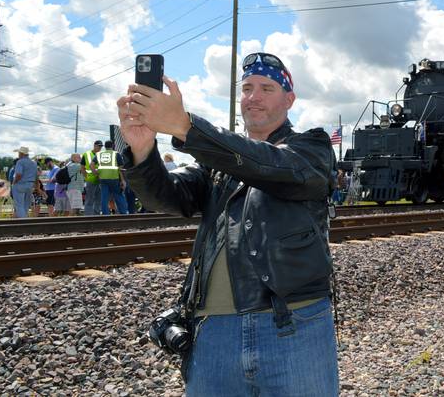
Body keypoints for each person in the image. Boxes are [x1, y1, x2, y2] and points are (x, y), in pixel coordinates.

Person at [117, 52, 337, 396]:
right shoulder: (217, 164)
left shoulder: (311, 149)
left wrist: (186, 127)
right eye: (247, 88)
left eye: (266, 88)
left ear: (289, 99)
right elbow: (168, 196)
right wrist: (142, 151)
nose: (254, 96)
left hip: (293, 324)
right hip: (214, 332)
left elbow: (270, 166)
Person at [94, 140, 128, 215]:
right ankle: (123, 213)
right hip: (114, 178)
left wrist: (96, 173)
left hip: (103, 178)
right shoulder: (116, 154)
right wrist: (122, 180)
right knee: (118, 195)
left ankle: (106, 214)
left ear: (105, 146)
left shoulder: (99, 154)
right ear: (112, 146)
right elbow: (120, 168)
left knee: (104, 197)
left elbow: (91, 165)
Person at [11, 146, 37, 218]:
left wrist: (14, 183)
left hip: (20, 184)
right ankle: (25, 219)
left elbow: (19, 175)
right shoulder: (34, 163)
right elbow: (36, 175)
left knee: (19, 205)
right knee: (26, 204)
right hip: (30, 185)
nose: (18, 155)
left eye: (19, 153)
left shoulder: (20, 162)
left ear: (21, 153)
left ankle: (23, 221)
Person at [82, 140, 103, 215]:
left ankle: (96, 215)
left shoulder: (102, 154)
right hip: (91, 179)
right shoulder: (86, 154)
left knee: (99, 199)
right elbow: (82, 167)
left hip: (100, 180)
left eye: (101, 146)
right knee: (89, 199)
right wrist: (86, 177)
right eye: (99, 146)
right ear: (94, 145)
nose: (100, 148)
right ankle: (88, 216)